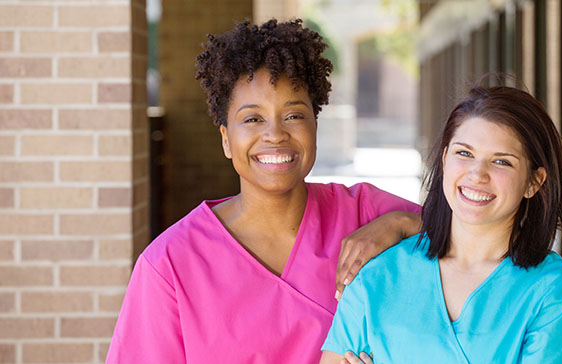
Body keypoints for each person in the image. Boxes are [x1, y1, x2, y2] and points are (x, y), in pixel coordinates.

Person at [106, 19, 420, 364]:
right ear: (226, 139)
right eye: (253, 119)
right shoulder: (170, 264)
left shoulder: (365, 214)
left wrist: (401, 225)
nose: (275, 134)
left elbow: (477, 238)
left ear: (315, 127)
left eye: (294, 115)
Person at [320, 85, 562, 364]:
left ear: (533, 182)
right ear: (444, 160)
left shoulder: (558, 295)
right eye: (464, 154)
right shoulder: (377, 276)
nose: (477, 174)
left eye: (502, 161)